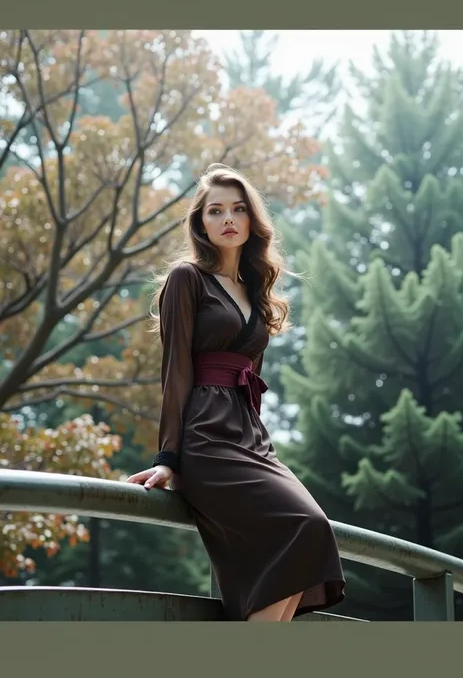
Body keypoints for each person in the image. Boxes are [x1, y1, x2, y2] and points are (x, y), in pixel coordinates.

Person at [126, 164, 346, 621]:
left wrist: (259, 444)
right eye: (216, 210)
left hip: (250, 436)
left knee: (312, 532)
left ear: (251, 221)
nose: (228, 218)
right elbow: (176, 372)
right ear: (200, 223)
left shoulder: (256, 291)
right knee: (303, 527)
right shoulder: (186, 279)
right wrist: (169, 459)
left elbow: (253, 380)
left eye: (238, 209)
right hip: (205, 435)